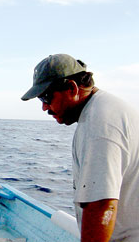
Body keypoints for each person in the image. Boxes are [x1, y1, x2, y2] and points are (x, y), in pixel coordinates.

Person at [21, 54, 139, 242]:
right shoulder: (101, 110)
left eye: (46, 97)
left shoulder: (99, 124)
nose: (44, 107)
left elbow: (102, 206)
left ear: (72, 88)